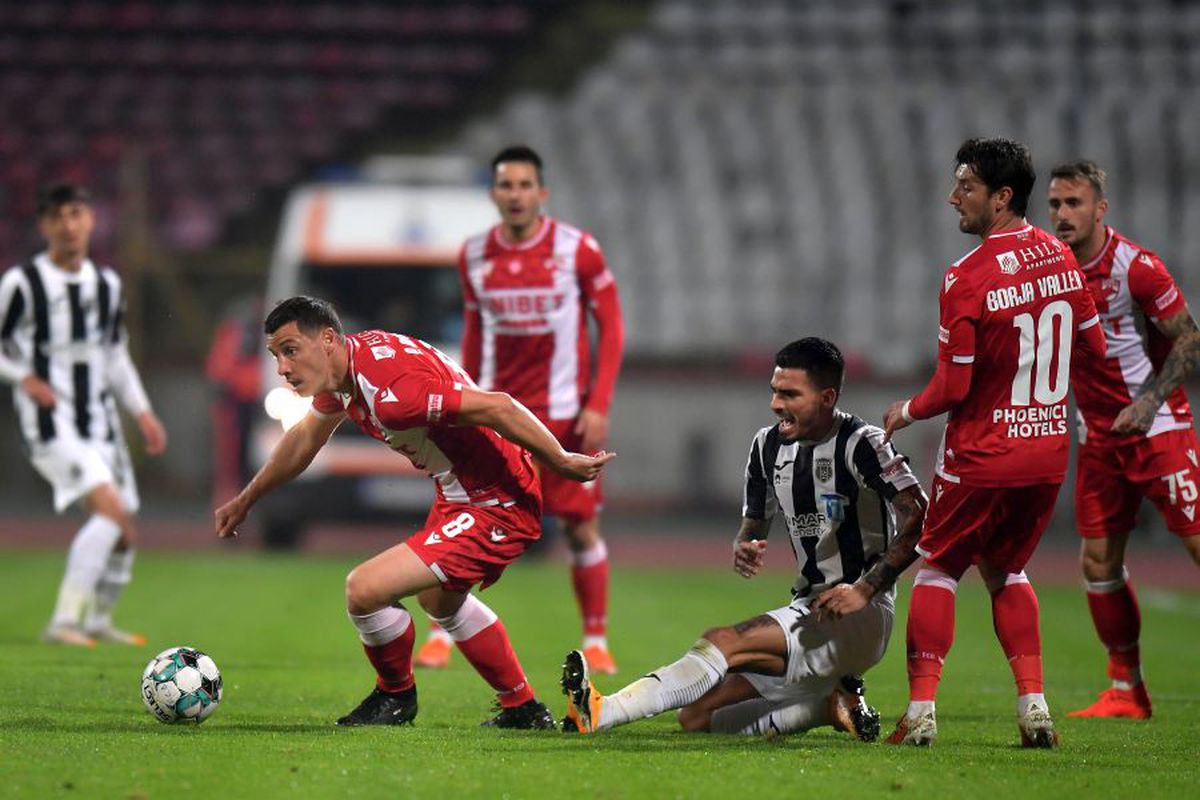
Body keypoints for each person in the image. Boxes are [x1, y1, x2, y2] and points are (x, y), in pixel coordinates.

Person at [215, 296, 614, 728]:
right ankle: (523, 707)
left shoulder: (393, 395)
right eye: (276, 355)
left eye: (290, 350)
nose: (282, 367)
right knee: (438, 599)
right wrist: (248, 498)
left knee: (364, 590)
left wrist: (560, 459)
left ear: (328, 339)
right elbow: (303, 440)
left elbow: (497, 405)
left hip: (497, 501)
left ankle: (396, 697)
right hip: (460, 493)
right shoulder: (350, 367)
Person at [560, 338, 927, 738]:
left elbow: (920, 515)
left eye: (790, 394)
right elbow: (754, 520)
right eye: (774, 391)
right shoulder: (767, 446)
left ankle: (601, 712)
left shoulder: (863, 443)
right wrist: (746, 544)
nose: (776, 404)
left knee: (723, 641)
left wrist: (866, 588)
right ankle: (828, 707)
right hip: (808, 607)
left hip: (860, 616)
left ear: (826, 397)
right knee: (696, 718)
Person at [881, 138, 1107, 748]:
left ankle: (922, 714)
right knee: (1008, 568)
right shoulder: (1063, 257)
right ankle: (1035, 710)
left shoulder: (966, 276)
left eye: (967, 187)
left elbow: (952, 388)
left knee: (941, 568)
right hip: (1047, 454)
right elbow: (1095, 348)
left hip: (982, 453)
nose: (953, 196)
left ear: (1002, 197)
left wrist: (904, 410)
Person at [416, 144, 626, 674]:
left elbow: (613, 326)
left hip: (562, 414)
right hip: (496, 415)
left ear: (542, 193)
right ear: (493, 193)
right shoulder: (474, 256)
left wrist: (598, 403)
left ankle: (596, 639)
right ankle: (442, 631)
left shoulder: (578, 250)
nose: (514, 194)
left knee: (579, 527)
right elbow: (474, 329)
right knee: (466, 518)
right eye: (505, 185)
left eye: (524, 185)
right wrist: (464, 394)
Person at [1047, 160, 1200, 720]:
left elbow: (1189, 341)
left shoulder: (1139, 269)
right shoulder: (1052, 269)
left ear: (1100, 209)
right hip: (1098, 437)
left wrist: (1150, 402)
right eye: (1055, 205)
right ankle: (1126, 689)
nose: (1063, 215)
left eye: (1074, 204)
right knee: (1098, 563)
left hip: (1158, 430)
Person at [0, 182, 168, 647]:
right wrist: (22, 377)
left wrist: (144, 413)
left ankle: (97, 621)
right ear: (44, 225)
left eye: (76, 213)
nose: (68, 224)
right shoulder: (22, 284)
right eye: (57, 216)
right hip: (51, 424)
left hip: (101, 424)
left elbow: (116, 357)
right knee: (111, 514)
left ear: (91, 220)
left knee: (124, 532)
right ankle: (64, 621)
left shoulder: (107, 286)